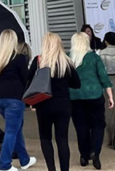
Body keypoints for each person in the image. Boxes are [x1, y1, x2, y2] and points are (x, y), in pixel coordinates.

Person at [30, 32, 81, 171]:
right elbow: (77, 84)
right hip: (63, 104)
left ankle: (51, 169)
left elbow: (29, 82)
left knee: (45, 138)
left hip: (43, 104)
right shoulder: (67, 61)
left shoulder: (38, 61)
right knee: (62, 139)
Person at [0, 31, 36, 171]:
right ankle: (5, 164)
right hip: (14, 98)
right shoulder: (20, 58)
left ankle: (24, 160)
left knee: (16, 128)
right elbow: (25, 79)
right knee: (12, 130)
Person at [69, 32, 114, 169]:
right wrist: (110, 96)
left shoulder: (68, 58)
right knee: (98, 125)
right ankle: (96, 152)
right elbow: (103, 77)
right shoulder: (94, 57)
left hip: (75, 97)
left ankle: (84, 155)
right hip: (94, 95)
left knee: (81, 127)